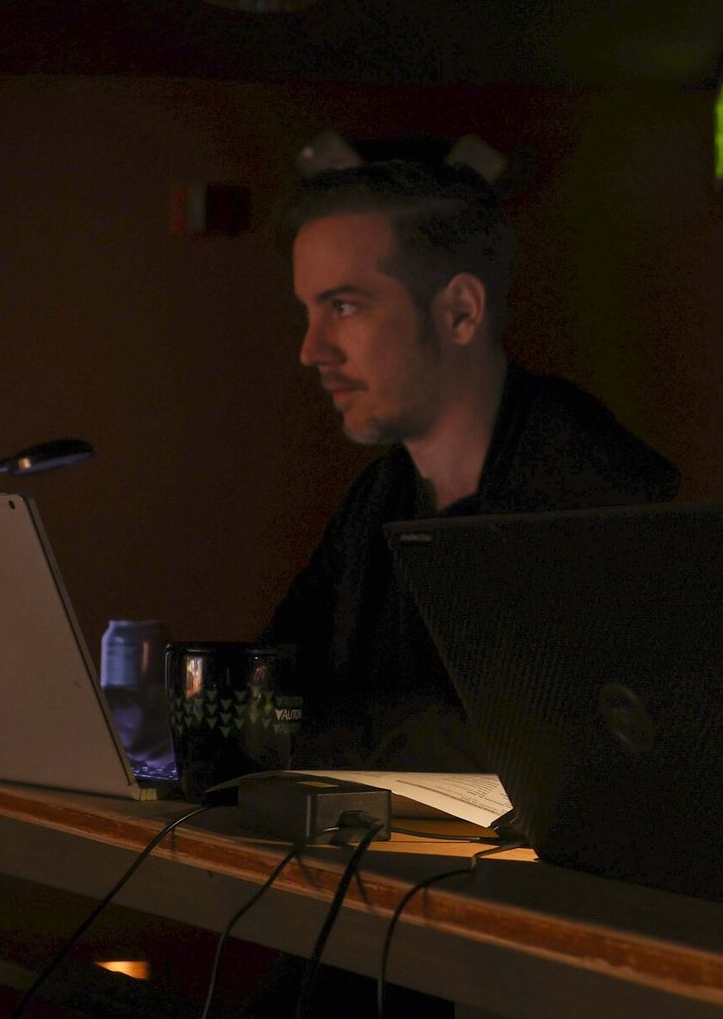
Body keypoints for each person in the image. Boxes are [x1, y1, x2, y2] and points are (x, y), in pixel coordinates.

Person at [265, 160, 679, 770]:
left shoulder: (598, 490)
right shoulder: (377, 499)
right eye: (309, 311)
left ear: (460, 310)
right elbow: (269, 689)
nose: (312, 350)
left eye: (345, 308)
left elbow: (545, 747)